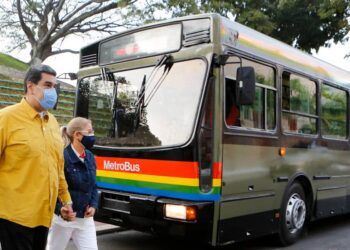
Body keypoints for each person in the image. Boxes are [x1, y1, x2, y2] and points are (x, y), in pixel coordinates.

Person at [0, 64, 75, 250]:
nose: (53, 91)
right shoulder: (6, 118)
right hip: (15, 216)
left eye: (55, 87)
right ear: (30, 86)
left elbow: (57, 167)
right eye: (47, 85)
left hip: (44, 216)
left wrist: (66, 200)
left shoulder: (52, 123)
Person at [47, 117, 99, 250]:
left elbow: (93, 185)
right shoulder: (62, 157)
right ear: (77, 135)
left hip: (85, 221)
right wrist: (60, 210)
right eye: (89, 131)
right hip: (63, 221)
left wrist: (93, 205)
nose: (93, 135)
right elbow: (52, 189)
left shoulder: (90, 156)